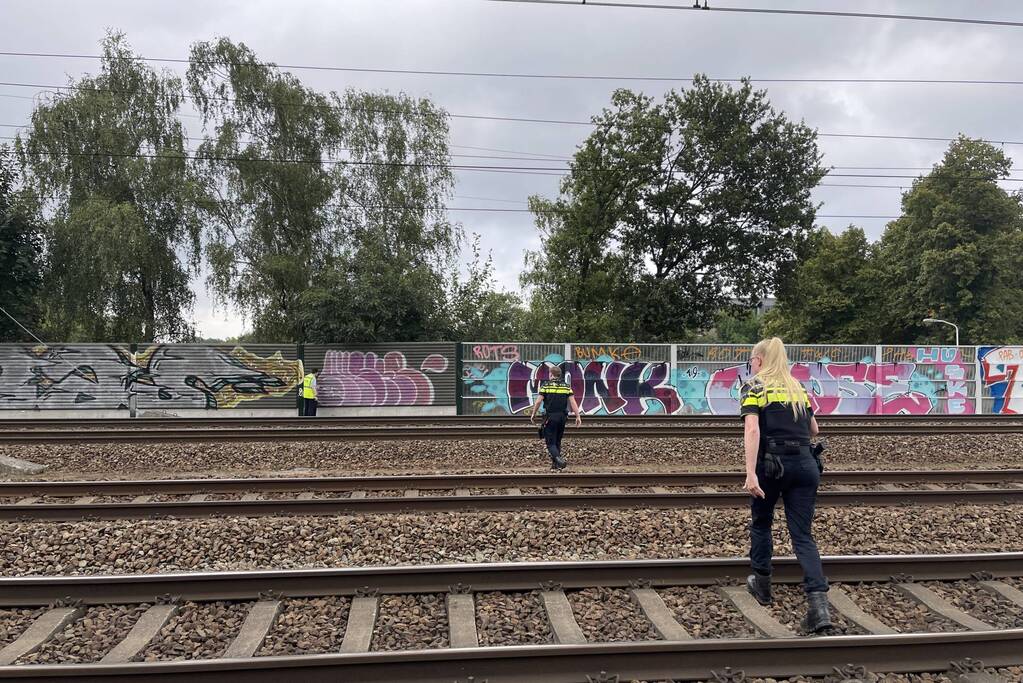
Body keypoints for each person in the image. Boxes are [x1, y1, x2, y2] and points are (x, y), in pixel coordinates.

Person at [740, 337, 830, 634]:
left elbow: (752, 429)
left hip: (772, 464)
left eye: (752, 360)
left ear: (760, 360)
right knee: (803, 535)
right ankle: (818, 607)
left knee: (762, 523)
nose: (751, 365)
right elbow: (814, 428)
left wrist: (750, 472)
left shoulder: (754, 386)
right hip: (805, 464)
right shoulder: (797, 387)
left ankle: (762, 584)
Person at [528, 366, 582, 470]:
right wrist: (578, 416)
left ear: (551, 374)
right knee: (557, 440)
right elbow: (573, 402)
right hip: (562, 417)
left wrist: (533, 414)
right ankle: (555, 465)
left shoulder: (546, 386)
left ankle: (559, 460)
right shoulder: (566, 386)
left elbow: (539, 401)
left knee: (550, 443)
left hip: (550, 417)